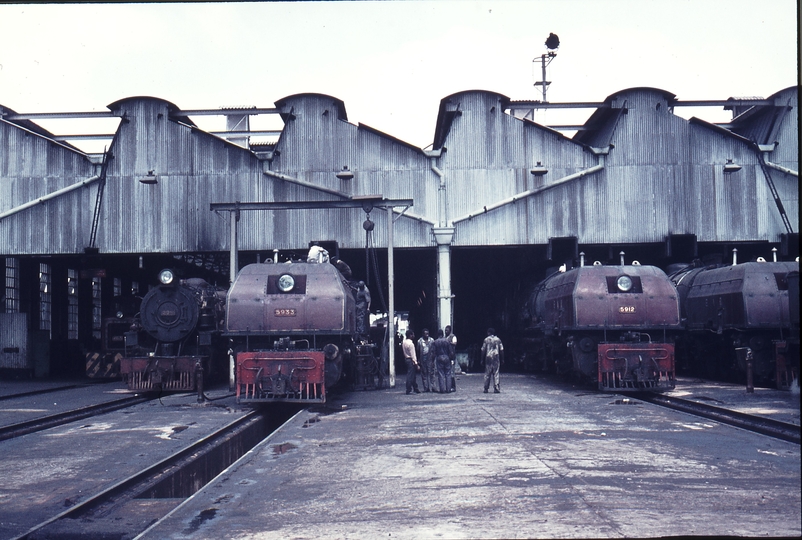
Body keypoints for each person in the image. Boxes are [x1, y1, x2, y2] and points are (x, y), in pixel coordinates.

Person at [481, 328, 504, 393]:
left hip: (488, 358)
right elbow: (502, 350)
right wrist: (502, 359)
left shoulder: (486, 340)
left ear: (489, 332)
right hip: (496, 357)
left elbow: (483, 350)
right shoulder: (498, 340)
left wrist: (482, 359)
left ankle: (486, 388)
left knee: (487, 373)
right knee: (496, 373)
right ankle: (496, 388)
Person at [432, 329, 453, 393]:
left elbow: (434, 352)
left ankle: (442, 389)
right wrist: (451, 359)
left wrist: (432, 360)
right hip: (446, 357)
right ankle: (448, 389)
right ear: (443, 334)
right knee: (448, 374)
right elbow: (451, 352)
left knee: (440, 374)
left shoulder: (435, 342)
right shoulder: (447, 341)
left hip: (439, 357)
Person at [402, 330, 421, 395]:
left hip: (406, 359)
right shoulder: (411, 344)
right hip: (411, 360)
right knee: (410, 375)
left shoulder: (404, 342)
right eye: (413, 334)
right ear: (410, 335)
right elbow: (413, 355)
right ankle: (409, 389)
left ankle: (415, 388)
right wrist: (416, 364)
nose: (414, 336)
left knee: (412, 375)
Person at [445, 325, 457, 391]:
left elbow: (455, 343)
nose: (446, 331)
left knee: (452, 372)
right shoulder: (445, 337)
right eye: (445, 330)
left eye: (447, 330)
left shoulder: (453, 336)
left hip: (452, 356)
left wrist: (448, 343)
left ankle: (453, 386)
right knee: (448, 372)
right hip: (447, 356)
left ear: (450, 330)